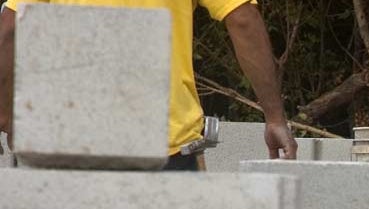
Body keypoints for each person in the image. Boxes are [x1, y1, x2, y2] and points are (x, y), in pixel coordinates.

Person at [0, 0, 296, 170]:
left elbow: (11, 31)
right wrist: (274, 117)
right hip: (164, 146)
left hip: (72, 146)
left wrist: (7, 115)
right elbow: (243, 19)